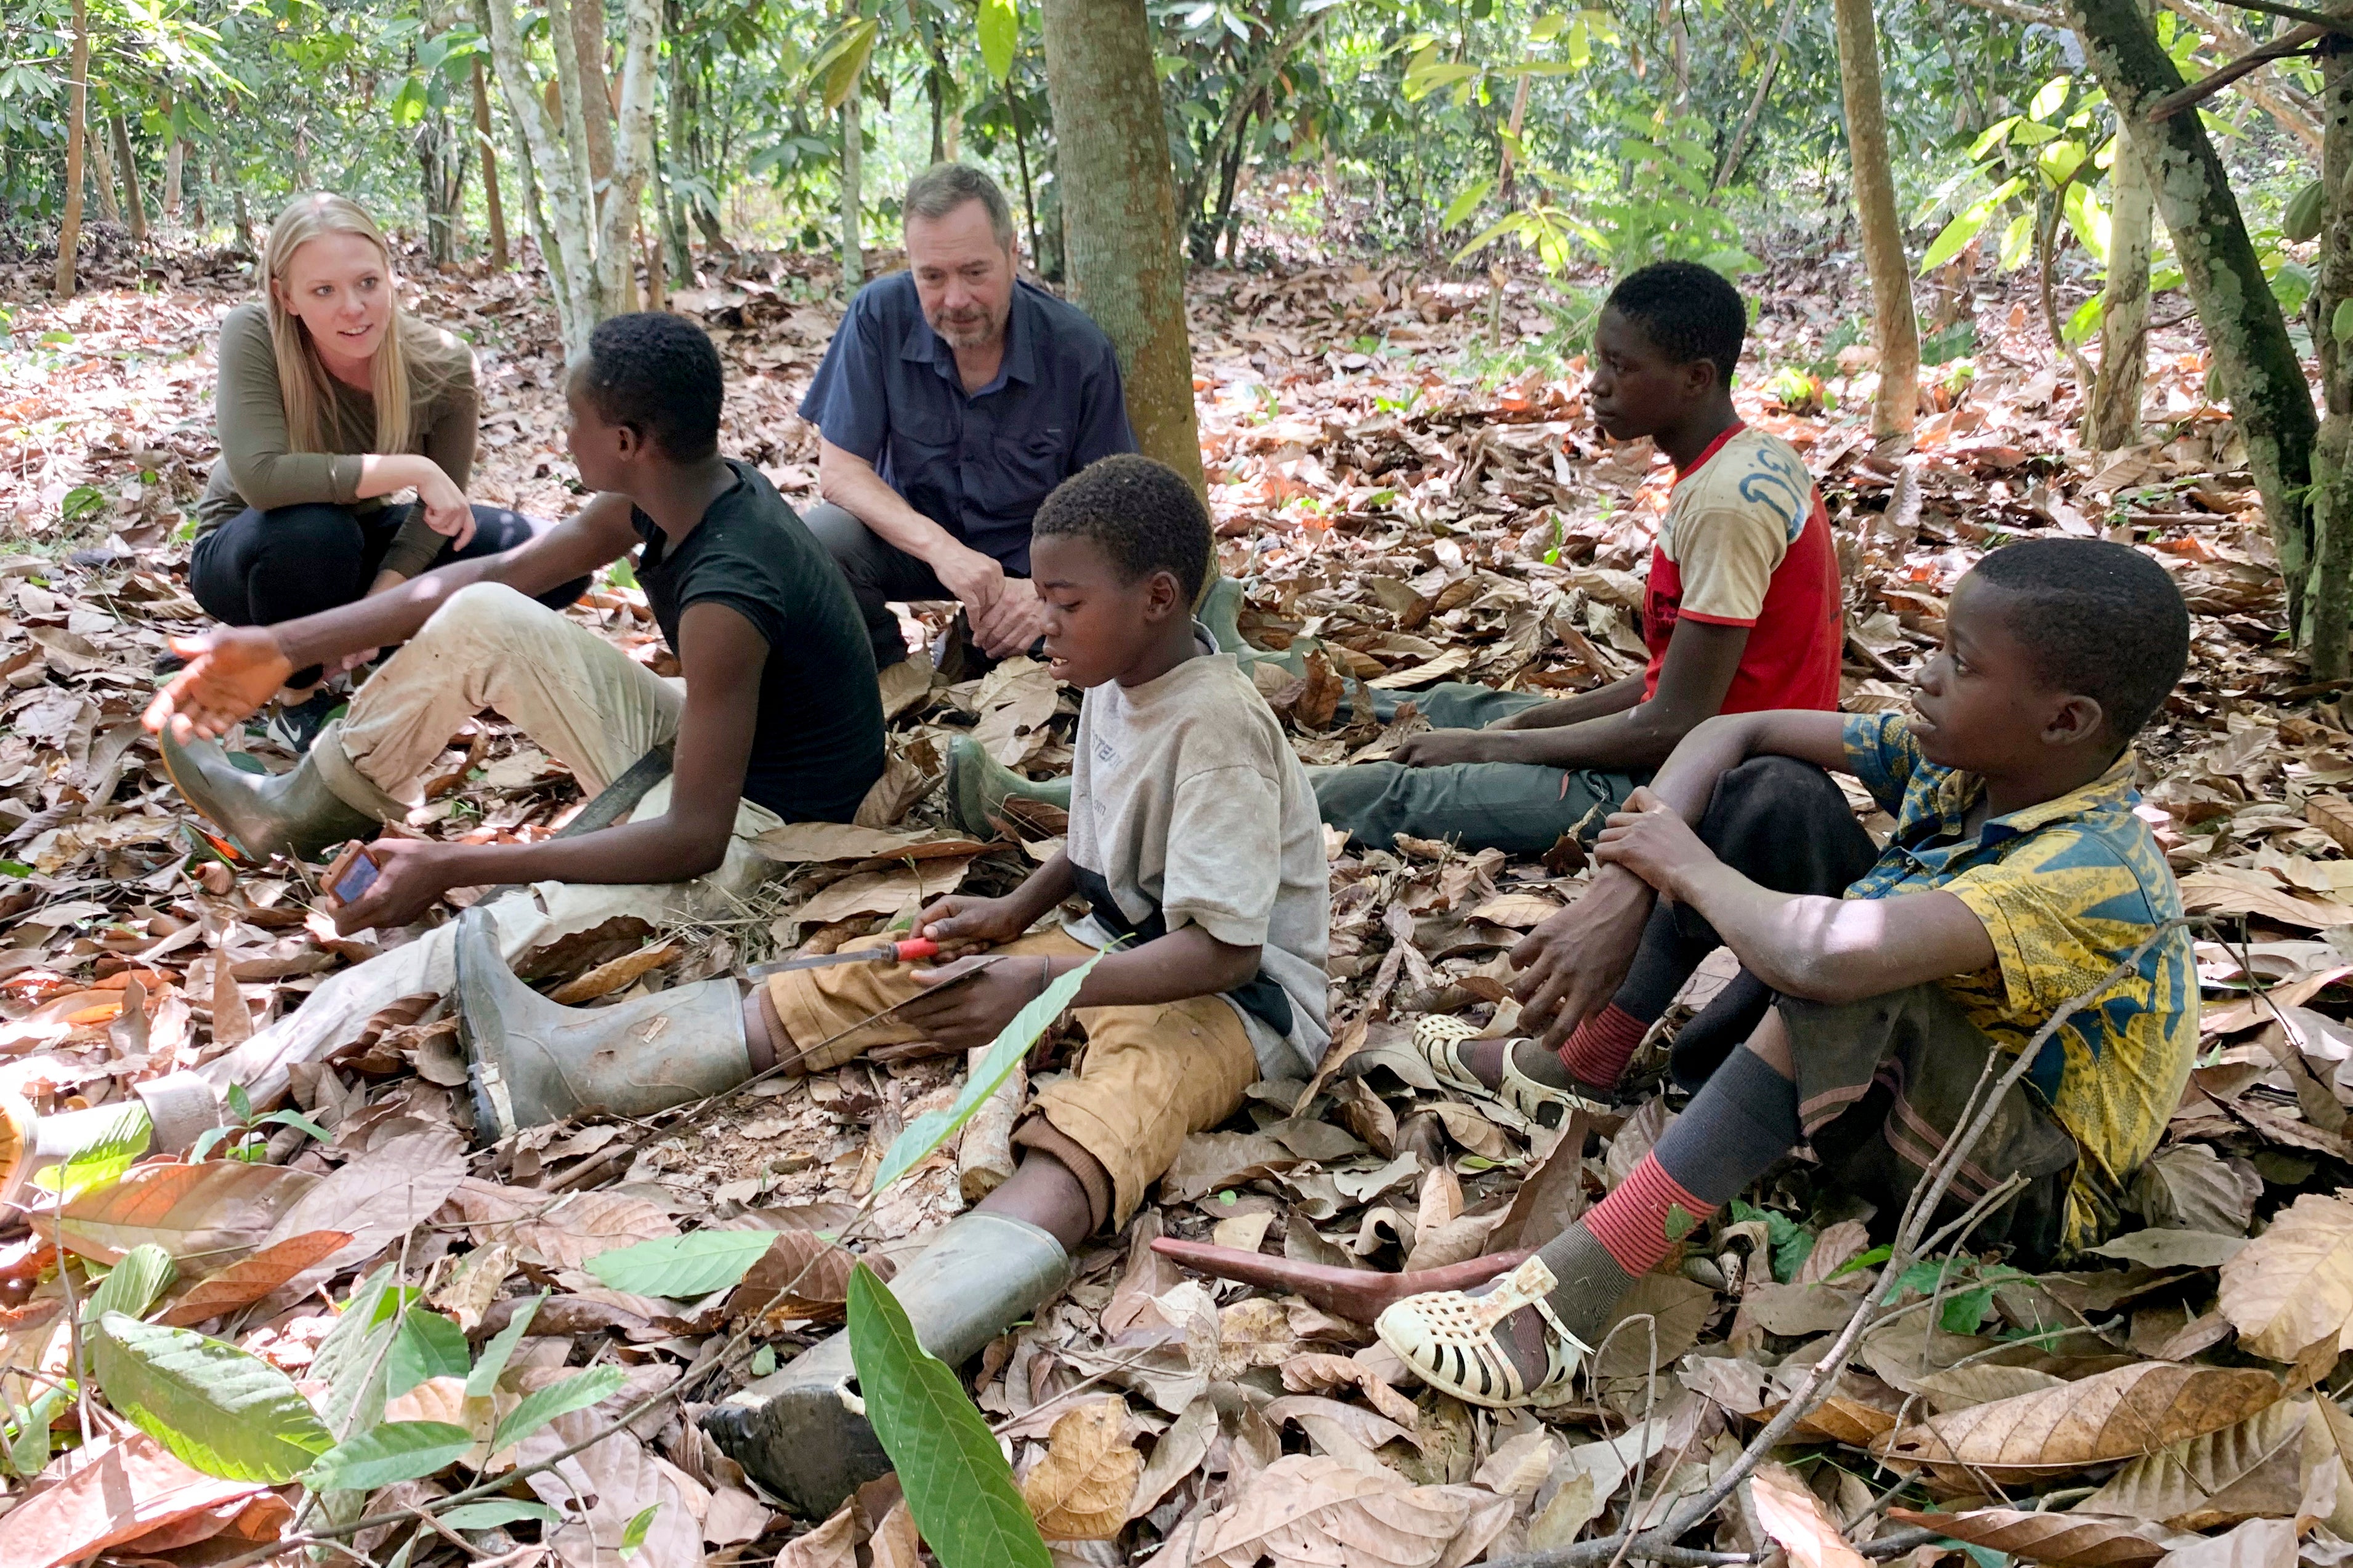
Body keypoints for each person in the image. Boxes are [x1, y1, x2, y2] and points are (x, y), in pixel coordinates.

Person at [416, 454, 1325, 1511]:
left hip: (1237, 1005)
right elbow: (1088, 843)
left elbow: (1225, 952)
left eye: (1065, 603)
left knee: (1113, 1108)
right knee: (897, 976)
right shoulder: (1117, 677)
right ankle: (566, 1069)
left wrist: (1039, 983)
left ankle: (876, 1367)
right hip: (1115, 937)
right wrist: (1010, 921)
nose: (1045, 622)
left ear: (1159, 599)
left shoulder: (1213, 728)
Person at [1374, 539, 2197, 1409]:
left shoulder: (2091, 869)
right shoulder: (1973, 766)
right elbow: (1733, 729)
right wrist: (1627, 881)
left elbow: (1821, 954)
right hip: (1923, 1090)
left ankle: (1576, 1291)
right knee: (1772, 791)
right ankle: (1585, 1062)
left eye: (1960, 663)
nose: (1923, 675)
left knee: (1851, 965)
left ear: (2065, 720)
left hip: (2027, 1181)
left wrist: (1681, 863)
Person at [145, 312, 886, 937]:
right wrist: (284, 645)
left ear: (626, 442)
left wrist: (456, 866)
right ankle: (300, 813)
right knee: (483, 614)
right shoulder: (678, 492)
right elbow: (491, 577)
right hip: (721, 767)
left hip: (768, 836)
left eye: (574, 418)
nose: (564, 434)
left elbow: (693, 839)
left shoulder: (728, 592)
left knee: (486, 944)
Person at [1307, 260, 1846, 858]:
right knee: (1460, 705)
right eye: (1601, 360)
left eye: (1621, 366)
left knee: (1398, 795)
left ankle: (1225, 797)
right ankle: (1254, 670)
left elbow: (1674, 723)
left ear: (1696, 378)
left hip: (1702, 786)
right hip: (1690, 740)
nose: (1597, 383)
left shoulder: (1724, 505)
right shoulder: (1751, 458)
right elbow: (1668, 686)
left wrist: (1491, 748)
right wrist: (1517, 727)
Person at [190, 192, 587, 745]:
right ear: (286, 296)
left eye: (368, 283)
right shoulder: (255, 333)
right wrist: (414, 467)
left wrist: (383, 602)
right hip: (253, 548)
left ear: (390, 278)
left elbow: (439, 517)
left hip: (356, 541)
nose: (353, 307)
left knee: (551, 560)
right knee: (313, 530)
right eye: (323, 290)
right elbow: (262, 478)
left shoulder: (442, 364)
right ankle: (299, 698)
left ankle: (371, 651)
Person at [798, 162, 1136, 671]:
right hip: (911, 542)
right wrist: (942, 551)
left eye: (975, 273)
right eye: (931, 277)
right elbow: (841, 472)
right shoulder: (878, 316)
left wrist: (1046, 592)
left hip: (1031, 567)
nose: (955, 299)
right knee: (817, 544)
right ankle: (886, 682)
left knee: (1116, 633)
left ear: (1012, 254)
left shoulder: (1076, 348)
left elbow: (1112, 508)